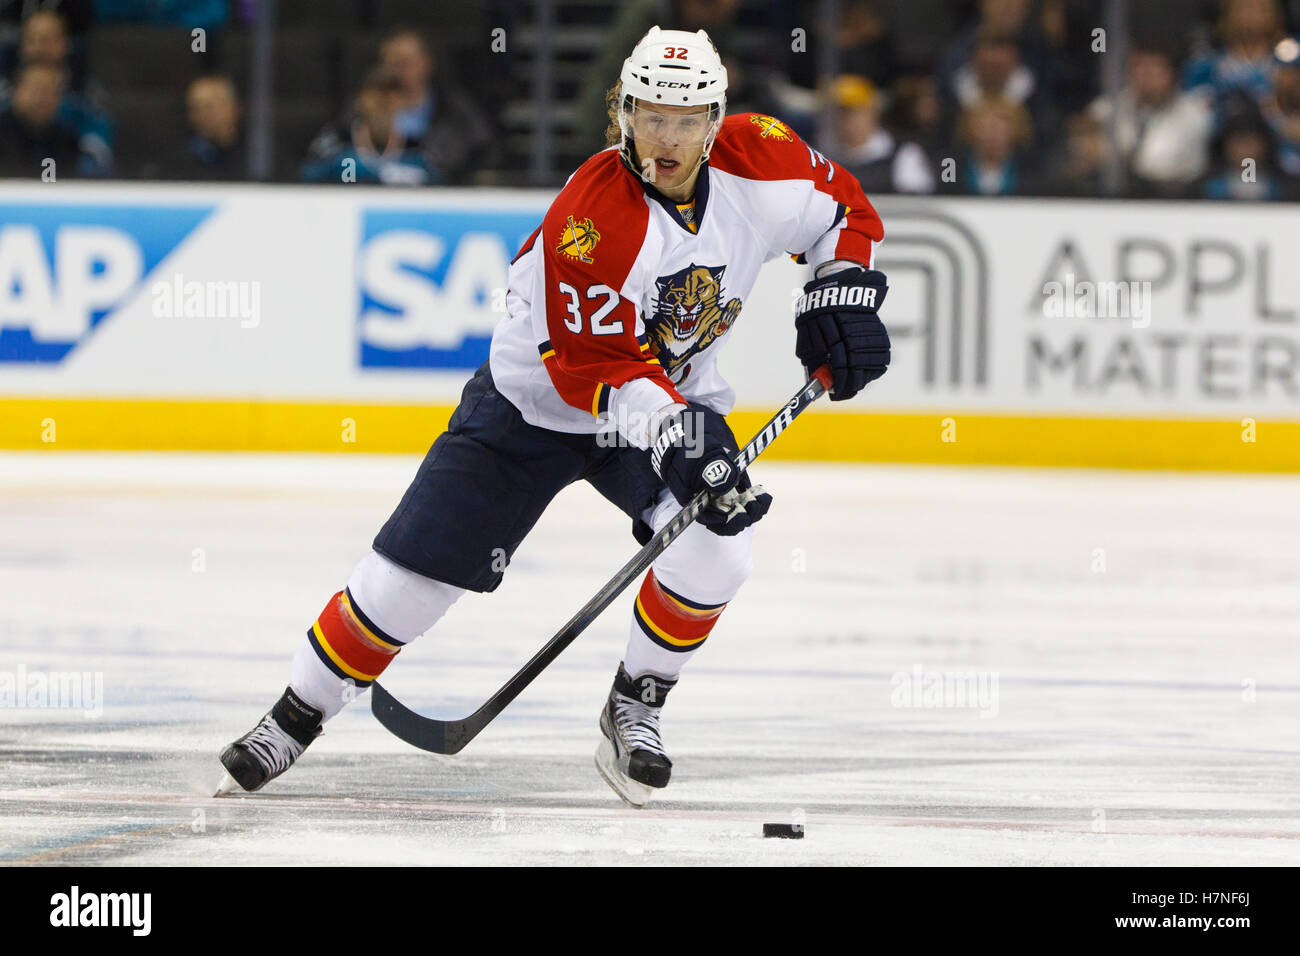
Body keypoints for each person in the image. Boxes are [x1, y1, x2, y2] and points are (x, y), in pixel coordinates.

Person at [219, 27, 891, 808]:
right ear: (623, 112)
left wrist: (841, 292)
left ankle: (635, 704)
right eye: (651, 116)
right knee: (408, 585)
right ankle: (294, 715)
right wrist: (679, 431)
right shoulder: (593, 215)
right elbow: (592, 366)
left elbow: (844, 211)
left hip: (667, 400)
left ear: (715, 120)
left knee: (718, 548)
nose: (668, 140)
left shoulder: (762, 159)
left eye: (686, 120)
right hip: (534, 408)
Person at [300, 66, 436, 186]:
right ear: (360, 99)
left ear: (404, 102)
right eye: (376, 92)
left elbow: (438, 184)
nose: (384, 99)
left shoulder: (417, 148)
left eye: (392, 93)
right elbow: (308, 176)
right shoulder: (337, 140)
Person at [822, 74, 934, 194]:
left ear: (873, 112)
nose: (846, 120)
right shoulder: (822, 156)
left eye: (854, 111)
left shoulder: (903, 154)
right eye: (839, 112)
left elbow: (919, 201)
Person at [0, 61, 81, 178]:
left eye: (52, 91)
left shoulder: (67, 141)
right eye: (36, 89)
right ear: (17, 90)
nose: (43, 98)